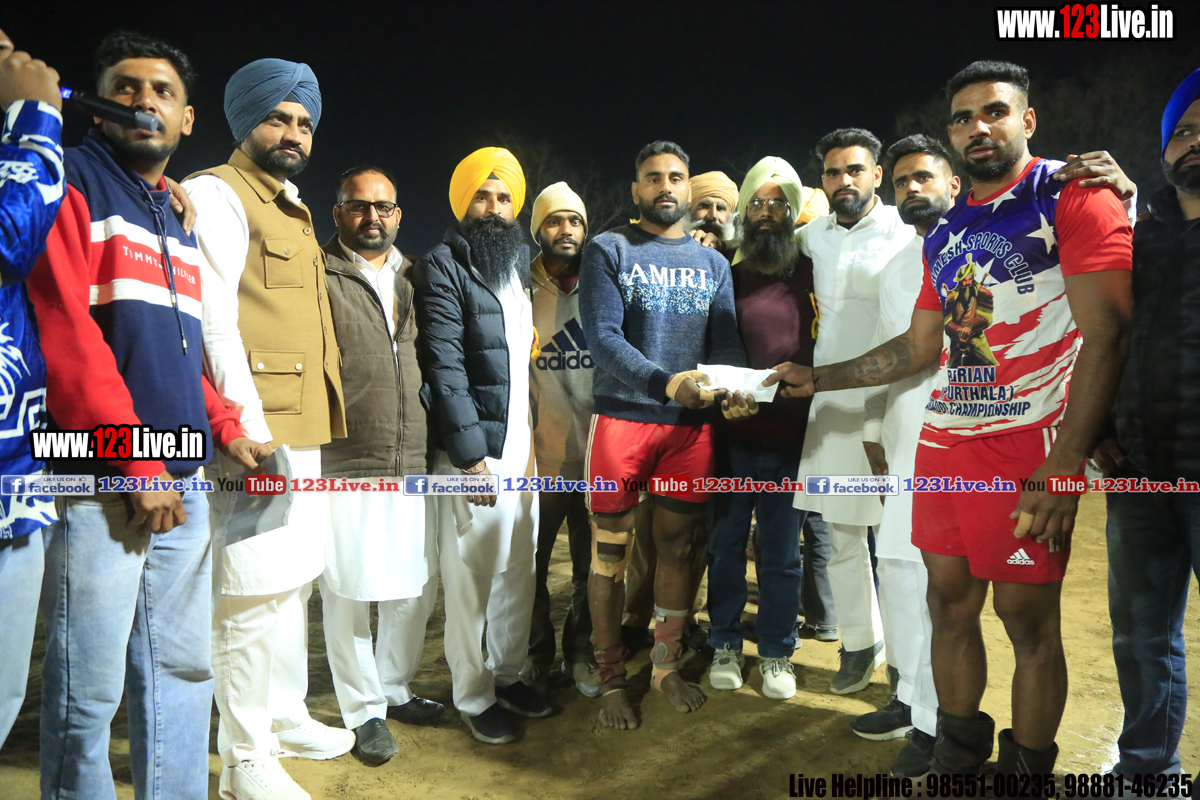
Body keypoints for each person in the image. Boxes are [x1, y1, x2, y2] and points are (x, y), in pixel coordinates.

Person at [767, 60, 1134, 777]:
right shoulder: (948, 229)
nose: (978, 127)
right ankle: (958, 758)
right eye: (963, 117)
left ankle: (1026, 773)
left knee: (1027, 623)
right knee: (947, 605)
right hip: (944, 444)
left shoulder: (1071, 196)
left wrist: (1065, 463)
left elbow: (1109, 332)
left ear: (1027, 120)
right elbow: (917, 347)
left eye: (995, 111)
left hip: (1027, 447)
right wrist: (821, 380)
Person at [26, 31, 264, 799]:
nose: (143, 101)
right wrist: (137, 461)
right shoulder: (72, 186)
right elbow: (68, 337)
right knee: (87, 693)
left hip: (179, 473)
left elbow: (172, 354)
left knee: (181, 672)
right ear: (98, 106)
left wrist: (224, 426)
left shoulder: (174, 217)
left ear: (187, 119)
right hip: (104, 477)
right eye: (125, 87)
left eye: (162, 91)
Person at [184, 58, 350, 800]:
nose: (293, 132)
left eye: (304, 122)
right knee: (249, 595)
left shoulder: (289, 204)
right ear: (244, 119)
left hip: (301, 426)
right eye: (278, 117)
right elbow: (213, 322)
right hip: (252, 435)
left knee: (292, 581)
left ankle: (283, 716)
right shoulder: (216, 194)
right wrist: (245, 431)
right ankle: (244, 759)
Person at [579, 140, 755, 730]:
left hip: (689, 431)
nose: (665, 186)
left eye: (675, 177)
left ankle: (663, 666)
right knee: (610, 556)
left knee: (679, 549)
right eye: (652, 177)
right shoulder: (608, 248)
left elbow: (726, 345)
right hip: (622, 423)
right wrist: (665, 383)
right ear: (636, 189)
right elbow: (602, 337)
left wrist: (733, 390)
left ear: (688, 186)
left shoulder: (713, 264)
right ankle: (610, 678)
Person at [414, 146, 550, 745]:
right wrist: (471, 460)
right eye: (482, 197)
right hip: (474, 455)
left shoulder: (517, 270)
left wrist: (530, 450)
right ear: (461, 203)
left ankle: (510, 675)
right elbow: (445, 367)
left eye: (504, 198)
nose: (493, 209)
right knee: (471, 576)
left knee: (518, 568)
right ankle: (473, 694)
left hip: (521, 453)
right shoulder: (442, 266)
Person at [320, 165, 442, 765]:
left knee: (412, 587)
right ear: (338, 212)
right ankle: (363, 709)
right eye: (359, 205)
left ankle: (394, 686)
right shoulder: (318, 273)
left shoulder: (417, 275)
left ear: (398, 214)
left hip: (412, 453)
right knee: (346, 590)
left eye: (384, 206)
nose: (373, 217)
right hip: (345, 456)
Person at [1101, 66, 1200, 777]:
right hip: (1139, 475)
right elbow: (1111, 338)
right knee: (1141, 637)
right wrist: (1104, 432)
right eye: (1184, 131)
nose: (1196, 142)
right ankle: (1145, 773)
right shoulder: (1142, 236)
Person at [850, 135, 959, 775]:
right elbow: (884, 351)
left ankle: (938, 724)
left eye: (925, 177)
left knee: (937, 590)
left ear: (952, 183)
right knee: (895, 571)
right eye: (901, 182)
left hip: (958, 444)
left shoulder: (978, 249)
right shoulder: (896, 267)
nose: (913, 188)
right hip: (899, 441)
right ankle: (909, 697)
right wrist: (873, 426)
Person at [794, 127, 915, 694]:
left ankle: (907, 660)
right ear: (822, 180)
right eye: (833, 171)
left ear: (877, 175)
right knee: (841, 534)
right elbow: (756, 238)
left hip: (896, 401)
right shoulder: (813, 236)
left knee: (896, 542)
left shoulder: (903, 230)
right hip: (832, 403)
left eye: (855, 170)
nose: (844, 180)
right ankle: (860, 642)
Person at [704, 156, 816, 701]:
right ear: (743, 211)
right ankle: (724, 643)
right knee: (725, 548)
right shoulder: (721, 269)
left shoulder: (813, 269)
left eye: (779, 204)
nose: (767, 212)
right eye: (757, 203)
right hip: (730, 436)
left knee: (782, 554)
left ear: (794, 213)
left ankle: (776, 651)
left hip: (793, 437)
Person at [0, 28, 62, 748]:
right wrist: (35, 117)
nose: (14, 62)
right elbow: (9, 239)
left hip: (17, 482)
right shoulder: (26, 139)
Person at [526, 181, 600, 697]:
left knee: (592, 568)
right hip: (540, 461)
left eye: (575, 221)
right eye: (554, 221)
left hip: (598, 458)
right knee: (528, 568)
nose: (566, 229)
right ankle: (535, 654)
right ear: (539, 229)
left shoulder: (604, 285)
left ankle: (581, 652)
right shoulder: (517, 287)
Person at [685, 170, 741, 259]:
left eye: (720, 208)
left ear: (730, 216)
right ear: (687, 212)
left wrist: (722, 245)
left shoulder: (740, 257)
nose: (713, 215)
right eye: (704, 206)